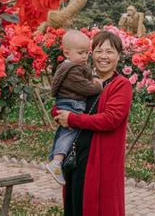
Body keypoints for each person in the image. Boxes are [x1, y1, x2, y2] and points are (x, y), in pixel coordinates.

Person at [53, 31, 133, 216]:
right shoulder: (84, 80)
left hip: (102, 161)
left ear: (118, 56)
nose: (103, 56)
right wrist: (58, 112)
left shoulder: (121, 85)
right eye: (98, 51)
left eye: (110, 51)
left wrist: (72, 119)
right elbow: (63, 102)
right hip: (76, 157)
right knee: (75, 206)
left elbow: (110, 119)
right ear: (91, 54)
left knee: (99, 208)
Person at [46, 30, 104, 185]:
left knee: (64, 133)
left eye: (87, 53)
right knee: (69, 133)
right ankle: (57, 162)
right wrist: (97, 84)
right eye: (80, 53)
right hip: (72, 105)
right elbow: (86, 88)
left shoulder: (70, 67)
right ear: (67, 53)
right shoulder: (72, 70)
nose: (85, 56)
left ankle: (55, 160)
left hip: (68, 103)